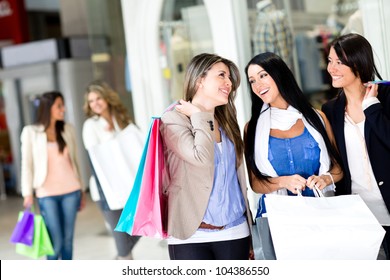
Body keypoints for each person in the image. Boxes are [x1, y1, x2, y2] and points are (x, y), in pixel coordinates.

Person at [160, 53, 252, 260]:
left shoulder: (228, 122)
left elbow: (236, 179)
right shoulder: (173, 119)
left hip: (234, 229)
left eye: (229, 78)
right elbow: (201, 157)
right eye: (222, 75)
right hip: (192, 234)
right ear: (200, 80)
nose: (229, 83)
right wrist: (199, 116)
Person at [244, 52, 343, 217]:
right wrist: (283, 182)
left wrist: (325, 179)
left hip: (320, 214)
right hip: (277, 218)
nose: (257, 85)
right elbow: (255, 183)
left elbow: (338, 168)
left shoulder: (317, 118)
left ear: (279, 75)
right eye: (252, 81)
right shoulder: (252, 129)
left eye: (263, 75)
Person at [322, 33, 390, 259]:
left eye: (339, 62)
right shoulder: (330, 110)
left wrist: (372, 108)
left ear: (358, 63)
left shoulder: (387, 97)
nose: (332, 68)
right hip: (357, 216)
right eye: (330, 61)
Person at [21, 91, 86, 260]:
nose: (63, 109)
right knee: (55, 241)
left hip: (71, 190)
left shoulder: (67, 129)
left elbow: (75, 161)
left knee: (67, 240)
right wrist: (27, 192)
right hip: (46, 193)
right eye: (59, 106)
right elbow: (26, 164)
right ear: (48, 108)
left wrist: (81, 189)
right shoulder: (30, 132)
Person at [82, 80, 140, 260]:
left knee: (140, 226)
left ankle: (121, 259)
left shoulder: (121, 119)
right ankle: (123, 259)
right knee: (122, 240)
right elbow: (96, 156)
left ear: (106, 98)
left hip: (129, 185)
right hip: (106, 191)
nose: (95, 103)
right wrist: (109, 136)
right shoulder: (90, 125)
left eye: (98, 98)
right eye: (91, 101)